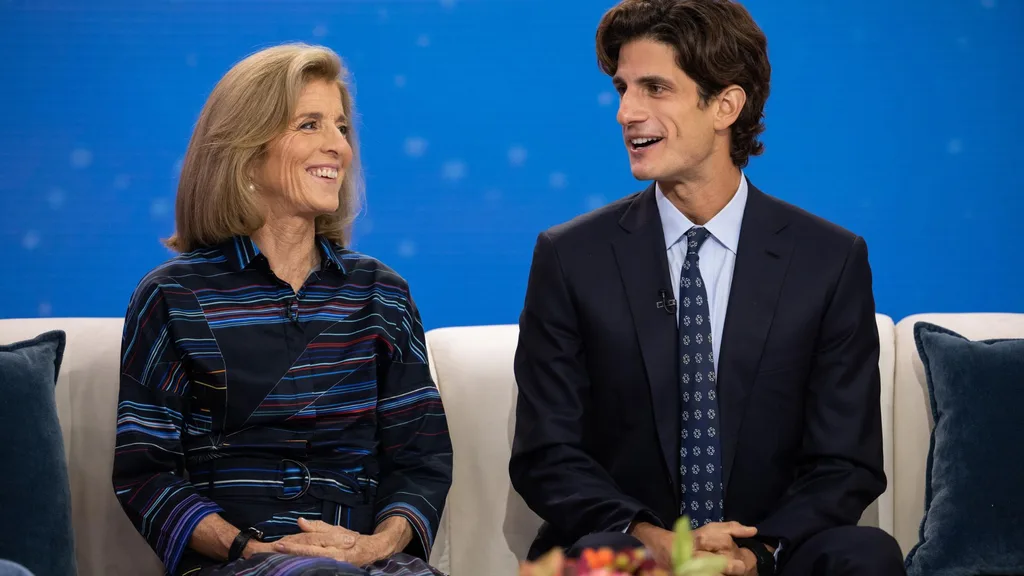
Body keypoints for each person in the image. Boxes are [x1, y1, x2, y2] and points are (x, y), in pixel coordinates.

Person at [509, 1, 906, 575]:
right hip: (630, 548)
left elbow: (846, 462)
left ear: (725, 104)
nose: (625, 112)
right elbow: (547, 453)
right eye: (622, 88)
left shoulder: (829, 260)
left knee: (866, 555)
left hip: (771, 550)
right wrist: (649, 535)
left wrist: (756, 550)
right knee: (599, 564)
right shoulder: (571, 257)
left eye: (654, 88)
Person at [112, 44, 452, 576]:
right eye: (310, 125)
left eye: (341, 128)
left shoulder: (380, 294)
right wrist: (248, 549)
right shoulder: (174, 296)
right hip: (236, 565)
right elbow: (145, 475)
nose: (337, 146)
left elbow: (422, 462)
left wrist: (373, 547)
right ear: (247, 153)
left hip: (366, 561)